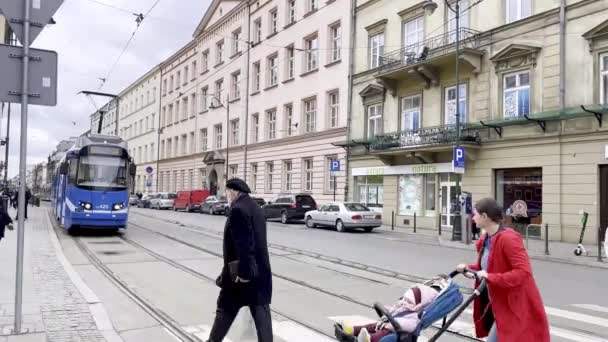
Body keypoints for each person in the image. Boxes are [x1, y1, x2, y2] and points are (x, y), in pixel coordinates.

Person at [456, 198, 549, 342]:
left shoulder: (508, 239)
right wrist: (468, 269)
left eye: (475, 214)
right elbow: (487, 268)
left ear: (485, 217)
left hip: (516, 307)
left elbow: (523, 273)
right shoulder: (486, 238)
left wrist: (490, 277)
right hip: (500, 307)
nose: (473, 217)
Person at [207, 178, 273, 342]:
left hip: (241, 275)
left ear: (234, 192)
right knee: (261, 314)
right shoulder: (255, 207)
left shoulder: (238, 210)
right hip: (260, 274)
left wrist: (244, 274)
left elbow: (244, 245)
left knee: (225, 309)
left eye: (227, 192)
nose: (226, 195)